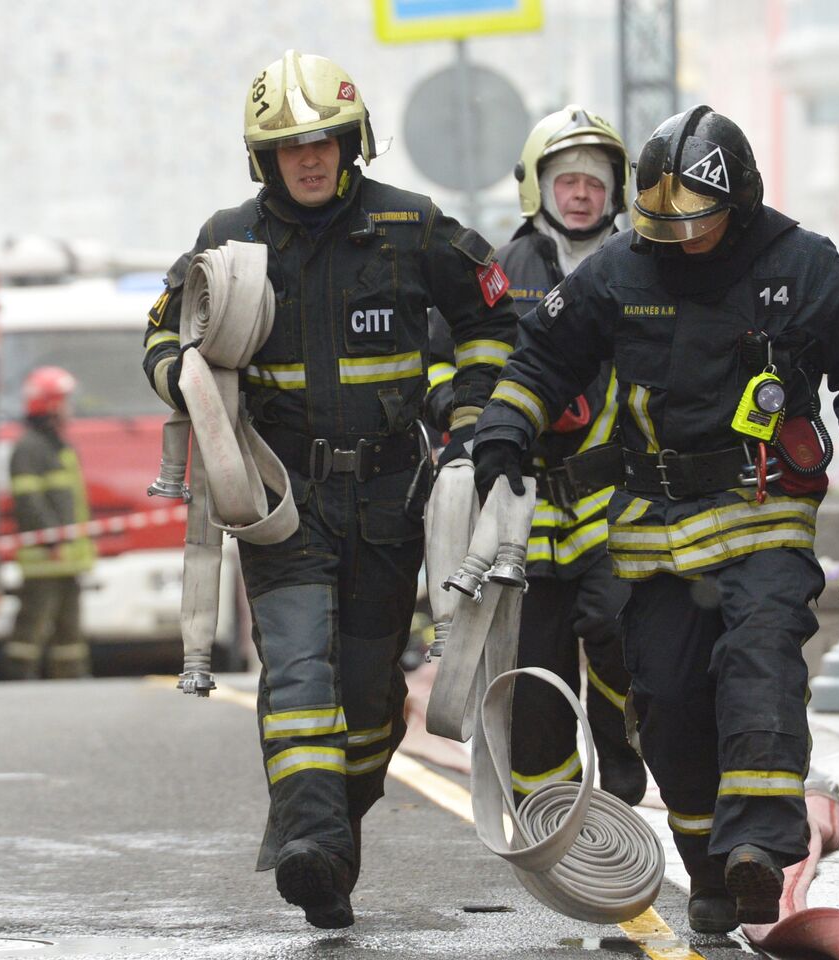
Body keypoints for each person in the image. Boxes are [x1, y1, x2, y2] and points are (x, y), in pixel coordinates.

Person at [472, 106, 839, 932]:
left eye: (695, 223)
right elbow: (542, 356)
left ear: (737, 203)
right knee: (667, 702)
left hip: (762, 512)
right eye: (661, 223)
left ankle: (757, 847)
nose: (677, 241)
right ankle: (711, 865)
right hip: (651, 529)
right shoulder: (620, 270)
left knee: (758, 666)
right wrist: (504, 427)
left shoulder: (805, 268)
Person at [140, 51, 515, 929]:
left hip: (391, 499)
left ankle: (328, 840)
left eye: (324, 143)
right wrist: (184, 382)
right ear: (262, 159)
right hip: (280, 500)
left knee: (373, 695)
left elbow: (492, 319)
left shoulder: (413, 228)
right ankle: (310, 846)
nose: (308, 160)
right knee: (300, 671)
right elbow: (163, 336)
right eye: (288, 148)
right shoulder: (228, 241)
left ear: (353, 145)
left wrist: (469, 416)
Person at [427, 106, 646, 806]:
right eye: (566, 180)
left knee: (624, 631)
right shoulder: (498, 272)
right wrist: (461, 420)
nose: (581, 194)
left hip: (619, 500)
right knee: (530, 680)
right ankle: (554, 821)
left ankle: (623, 748)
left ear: (618, 189)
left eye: (594, 181)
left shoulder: (649, 267)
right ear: (537, 188)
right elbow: (444, 359)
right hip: (519, 506)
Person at [4, 366, 95, 680]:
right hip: (46, 558)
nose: (71, 409)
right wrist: (52, 541)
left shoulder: (57, 446)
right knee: (32, 624)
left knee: (69, 631)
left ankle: (72, 682)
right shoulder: (30, 449)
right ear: (52, 405)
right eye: (66, 401)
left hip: (66, 558)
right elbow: (29, 503)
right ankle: (17, 681)